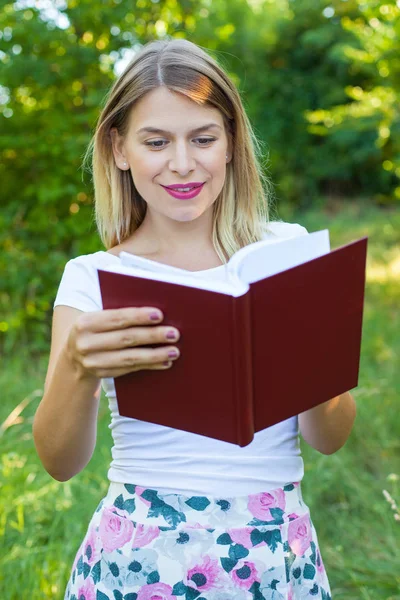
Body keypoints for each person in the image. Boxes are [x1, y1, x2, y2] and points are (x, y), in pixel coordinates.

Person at [33, 38, 356, 600]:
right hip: (140, 551)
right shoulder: (91, 277)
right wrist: (75, 369)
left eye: (203, 138)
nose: (182, 163)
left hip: (274, 545)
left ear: (230, 143)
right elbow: (60, 463)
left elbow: (331, 439)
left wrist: (311, 360)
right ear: (118, 148)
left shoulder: (290, 250)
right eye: (156, 142)